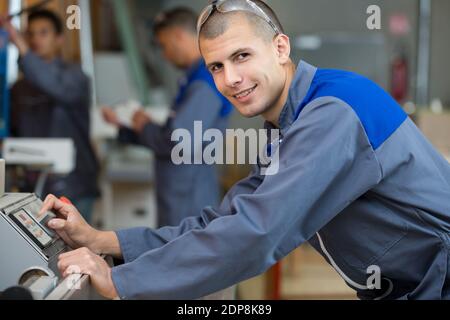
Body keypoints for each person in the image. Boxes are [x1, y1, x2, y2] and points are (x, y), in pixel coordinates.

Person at [41, 0, 450, 300]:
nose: (231, 78)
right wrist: (103, 240)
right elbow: (225, 220)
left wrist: (120, 282)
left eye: (241, 56)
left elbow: (257, 232)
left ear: (280, 49)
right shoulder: (287, 125)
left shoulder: (332, 111)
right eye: (216, 66)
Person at [102, 7, 233, 227]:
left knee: (186, 256)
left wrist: (144, 126)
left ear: (178, 36)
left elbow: (177, 140)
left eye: (163, 46)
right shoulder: (193, 80)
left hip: (189, 199)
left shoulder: (204, 83)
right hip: (182, 194)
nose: (164, 55)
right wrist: (128, 128)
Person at [1, 10, 99, 222]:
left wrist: (22, 47)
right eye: (30, 34)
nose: (35, 40)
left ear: (59, 39)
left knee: (78, 250)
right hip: (33, 188)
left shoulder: (75, 78)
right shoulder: (19, 88)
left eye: (43, 33)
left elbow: (55, 86)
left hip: (75, 186)